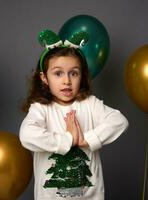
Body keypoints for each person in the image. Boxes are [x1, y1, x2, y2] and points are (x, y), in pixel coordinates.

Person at [19, 29, 128, 200]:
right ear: (44, 78)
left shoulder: (90, 104)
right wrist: (68, 139)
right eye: (58, 73)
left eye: (74, 73)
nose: (66, 81)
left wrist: (86, 139)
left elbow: (119, 121)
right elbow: (26, 135)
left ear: (82, 76)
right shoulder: (41, 108)